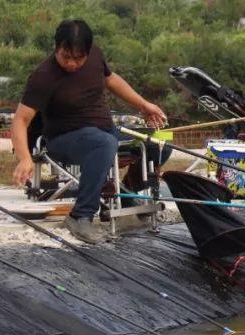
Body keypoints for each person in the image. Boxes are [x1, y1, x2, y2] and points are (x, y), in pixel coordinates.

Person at [11, 20, 168, 245]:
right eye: (66, 57)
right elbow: (20, 120)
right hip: (64, 139)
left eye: (78, 58)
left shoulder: (95, 55)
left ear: (87, 51)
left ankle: (126, 195)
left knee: (159, 142)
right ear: (57, 48)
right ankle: (80, 216)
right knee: (103, 144)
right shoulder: (43, 76)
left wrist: (143, 104)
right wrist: (25, 158)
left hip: (104, 131)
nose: (72, 63)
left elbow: (111, 79)